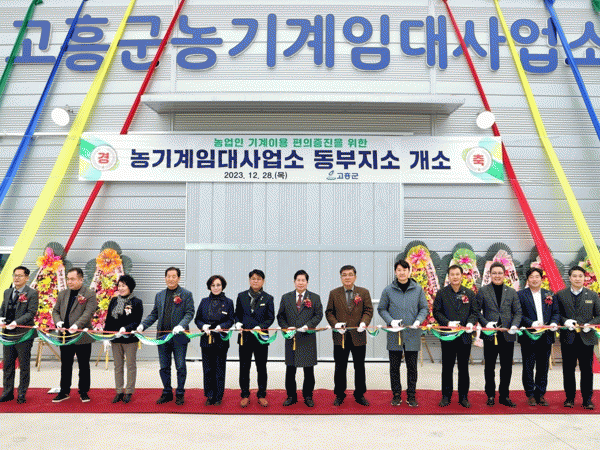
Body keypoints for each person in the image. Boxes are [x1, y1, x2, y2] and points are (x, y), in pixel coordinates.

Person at [137, 267, 194, 405]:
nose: (171, 279)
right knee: (164, 366)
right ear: (165, 278)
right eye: (168, 276)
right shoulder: (160, 295)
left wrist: (181, 325)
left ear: (179, 278)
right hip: (162, 338)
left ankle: (180, 393)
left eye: (174, 276)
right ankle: (167, 392)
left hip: (179, 337)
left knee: (180, 366)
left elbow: (189, 313)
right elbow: (154, 314)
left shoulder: (186, 294)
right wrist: (143, 326)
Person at [377, 259, 428, 407]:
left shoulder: (418, 289)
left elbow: (424, 308)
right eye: (399, 270)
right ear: (395, 272)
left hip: (412, 334)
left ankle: (411, 395)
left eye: (405, 270)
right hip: (395, 334)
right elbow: (381, 308)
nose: (402, 273)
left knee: (412, 367)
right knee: (394, 367)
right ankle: (396, 395)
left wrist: (418, 320)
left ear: (409, 271)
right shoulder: (388, 290)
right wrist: (390, 321)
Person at [325, 264, 373, 406]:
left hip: (359, 336)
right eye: (344, 275)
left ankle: (360, 394)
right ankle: (340, 394)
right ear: (341, 278)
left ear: (355, 277)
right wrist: (336, 324)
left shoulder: (363, 292)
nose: (347, 277)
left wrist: (364, 323)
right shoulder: (334, 293)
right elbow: (329, 312)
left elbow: (368, 310)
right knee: (340, 367)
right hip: (340, 337)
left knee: (359, 367)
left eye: (350, 274)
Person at [476, 261, 522, 408]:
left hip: (507, 335)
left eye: (500, 273)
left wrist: (514, 325)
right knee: (489, 367)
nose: (497, 275)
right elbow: (476, 311)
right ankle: (490, 395)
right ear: (490, 275)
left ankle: (504, 396)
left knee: (506, 366)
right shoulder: (483, 291)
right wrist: (485, 324)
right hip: (490, 334)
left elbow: (518, 312)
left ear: (504, 274)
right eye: (494, 273)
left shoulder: (512, 291)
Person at [555, 265, 600, 410]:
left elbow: (599, 315)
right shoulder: (560, 295)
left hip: (586, 339)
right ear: (569, 278)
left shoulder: (592, 295)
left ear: (584, 278)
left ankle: (587, 399)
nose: (577, 279)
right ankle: (569, 398)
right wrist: (565, 321)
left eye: (580, 276)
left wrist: (590, 324)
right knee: (568, 370)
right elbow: (556, 314)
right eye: (574, 276)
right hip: (568, 338)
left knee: (587, 371)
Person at [276, 269, 323, 407]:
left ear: (307, 282)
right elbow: (280, 316)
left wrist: (308, 325)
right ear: (294, 281)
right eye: (298, 280)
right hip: (291, 338)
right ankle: (291, 396)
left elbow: (318, 315)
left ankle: (308, 396)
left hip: (307, 338)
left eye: (303, 280)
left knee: (308, 370)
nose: (301, 283)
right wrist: (286, 328)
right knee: (290, 370)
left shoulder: (314, 298)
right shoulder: (286, 297)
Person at [432, 264, 477, 408]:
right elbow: (436, 312)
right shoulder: (442, 293)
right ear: (448, 277)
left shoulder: (469, 293)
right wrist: (447, 322)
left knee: (463, 368)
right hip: (448, 336)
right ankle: (446, 396)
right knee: (447, 367)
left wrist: (470, 323)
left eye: (457, 274)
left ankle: (463, 397)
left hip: (464, 337)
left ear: (462, 276)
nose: (455, 277)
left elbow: (474, 312)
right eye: (452, 274)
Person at [51, 267, 98, 403]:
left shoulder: (89, 294)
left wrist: (77, 325)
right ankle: (64, 391)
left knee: (84, 365)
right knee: (65, 365)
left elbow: (88, 313)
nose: (69, 282)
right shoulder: (63, 293)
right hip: (65, 336)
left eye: (72, 279)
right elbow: (55, 311)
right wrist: (58, 321)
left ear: (81, 279)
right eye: (68, 279)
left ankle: (83, 391)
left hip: (82, 336)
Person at [518, 267, 559, 406]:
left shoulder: (550, 294)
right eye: (531, 277)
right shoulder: (521, 295)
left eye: (537, 276)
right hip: (528, 335)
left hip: (546, 335)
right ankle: (530, 394)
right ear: (527, 279)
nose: (534, 279)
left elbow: (556, 312)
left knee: (543, 366)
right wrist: (531, 323)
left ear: (541, 279)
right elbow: (518, 314)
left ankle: (540, 394)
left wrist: (553, 322)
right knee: (528, 366)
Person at [234, 269, 275, 408]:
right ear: (249, 280)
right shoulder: (241, 296)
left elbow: (270, 317)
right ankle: (245, 394)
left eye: (258, 279)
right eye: (253, 278)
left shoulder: (268, 298)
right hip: (244, 338)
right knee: (244, 367)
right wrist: (238, 323)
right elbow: (237, 314)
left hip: (261, 338)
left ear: (263, 281)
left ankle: (262, 394)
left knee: (261, 367)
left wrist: (261, 327)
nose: (255, 281)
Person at [0, 266, 39, 404]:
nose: (16, 278)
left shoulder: (32, 293)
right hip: (8, 334)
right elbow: (3, 308)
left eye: (20, 276)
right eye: (15, 275)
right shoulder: (7, 292)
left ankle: (22, 393)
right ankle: (7, 392)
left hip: (24, 334)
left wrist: (16, 322)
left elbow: (31, 313)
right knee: (8, 364)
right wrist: (1, 319)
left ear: (27, 278)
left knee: (24, 365)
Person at [195, 274, 234, 406]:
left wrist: (222, 326)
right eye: (213, 285)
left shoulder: (228, 302)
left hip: (221, 340)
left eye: (218, 285)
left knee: (219, 368)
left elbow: (231, 320)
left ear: (222, 286)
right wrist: (203, 326)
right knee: (207, 369)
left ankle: (218, 396)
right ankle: (209, 395)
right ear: (209, 287)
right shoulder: (204, 301)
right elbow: (197, 319)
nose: (216, 288)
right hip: (206, 340)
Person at [103, 274, 143, 404]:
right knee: (118, 366)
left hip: (130, 339)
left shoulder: (136, 302)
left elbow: (136, 321)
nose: (120, 288)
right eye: (119, 286)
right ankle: (119, 391)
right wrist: (106, 337)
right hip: (115, 339)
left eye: (123, 286)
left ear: (130, 287)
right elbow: (109, 320)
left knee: (130, 365)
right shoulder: (114, 301)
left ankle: (129, 391)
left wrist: (125, 328)